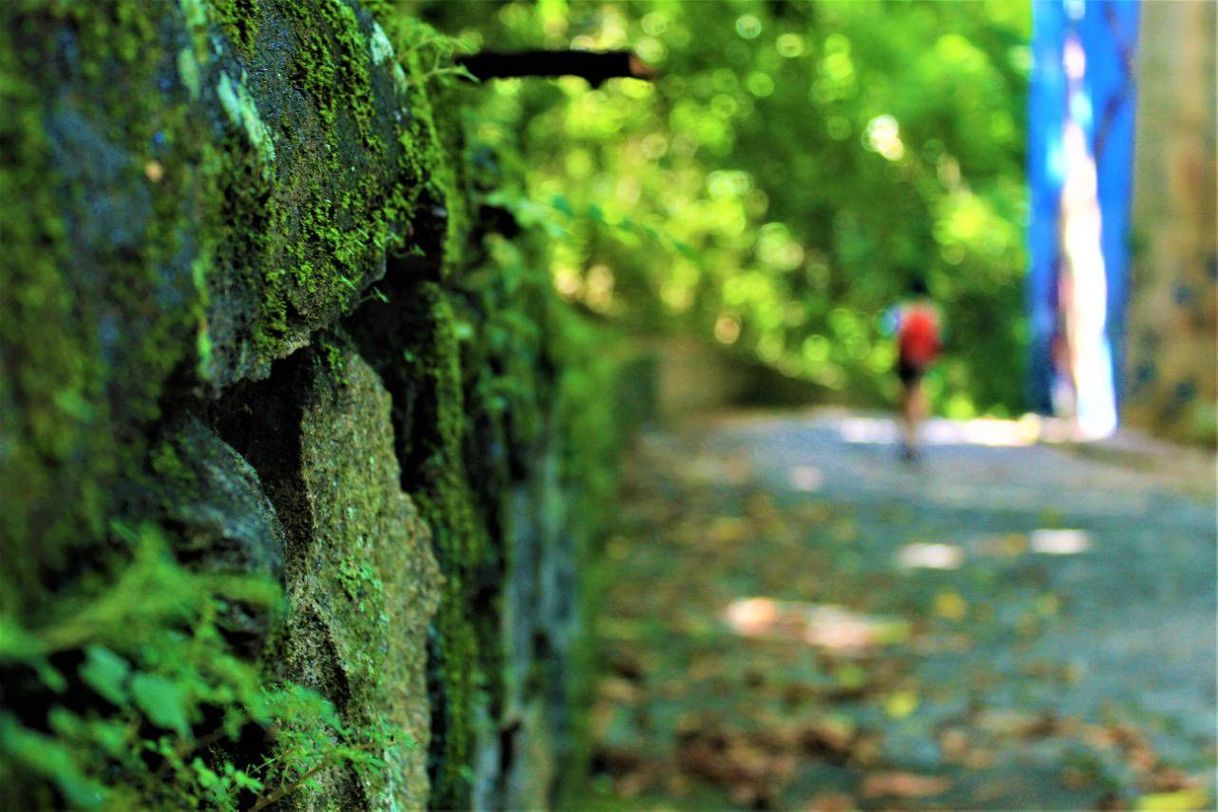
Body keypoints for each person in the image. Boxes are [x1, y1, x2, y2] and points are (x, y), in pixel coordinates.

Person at [891, 278, 942, 461]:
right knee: (919, 395)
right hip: (923, 361)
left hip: (904, 359)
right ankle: (916, 439)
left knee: (905, 397)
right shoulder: (932, 312)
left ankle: (907, 438)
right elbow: (938, 338)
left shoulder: (903, 309)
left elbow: (893, 331)